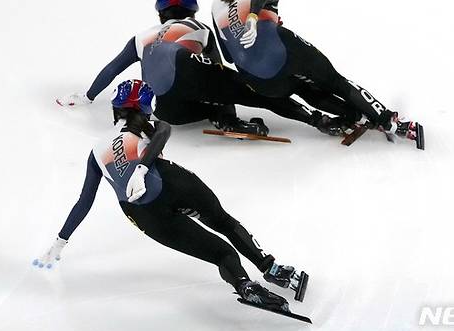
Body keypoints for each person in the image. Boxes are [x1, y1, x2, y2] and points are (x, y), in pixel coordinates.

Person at [35, 79, 309, 311]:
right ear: (144, 107)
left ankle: (244, 285)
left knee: (220, 253)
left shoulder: (96, 151)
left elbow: (85, 201)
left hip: (142, 213)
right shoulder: (146, 125)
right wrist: (143, 167)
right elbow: (164, 129)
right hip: (171, 179)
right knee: (224, 222)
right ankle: (271, 268)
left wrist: (60, 241)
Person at [56, 0, 344, 137]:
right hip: (187, 73)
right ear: (191, 12)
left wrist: (87, 96)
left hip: (167, 110)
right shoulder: (199, 29)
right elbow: (220, 68)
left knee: (206, 97)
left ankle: (220, 117)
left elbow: (112, 69)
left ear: (160, 14)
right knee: (252, 90)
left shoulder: (141, 37)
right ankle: (316, 119)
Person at [211, 0, 420, 140]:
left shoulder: (216, 5)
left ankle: (355, 116)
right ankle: (390, 122)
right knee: (335, 81)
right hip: (282, 49)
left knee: (304, 89)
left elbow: (229, 57)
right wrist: (254, 17)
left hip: (259, 80)